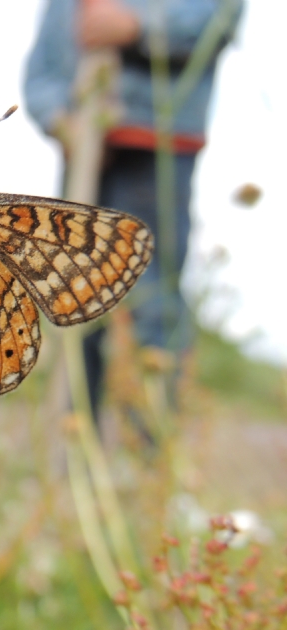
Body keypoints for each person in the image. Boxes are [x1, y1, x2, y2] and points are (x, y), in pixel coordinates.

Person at [24, 0, 243, 417]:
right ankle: (73, 448)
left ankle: (150, 449)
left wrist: (137, 27)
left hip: (157, 144)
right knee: (74, 298)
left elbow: (218, 17)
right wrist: (59, 118)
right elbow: (43, 68)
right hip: (83, 151)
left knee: (150, 300)